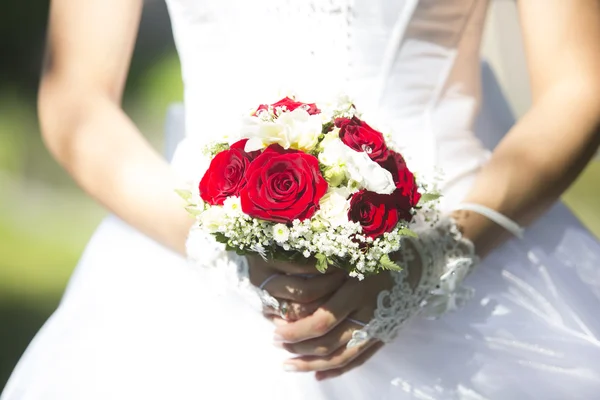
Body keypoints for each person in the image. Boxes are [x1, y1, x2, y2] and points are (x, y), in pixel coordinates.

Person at [3, 0, 600, 398]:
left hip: (474, 251)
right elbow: (76, 98)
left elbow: (579, 84)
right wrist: (221, 246)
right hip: (179, 272)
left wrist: (430, 256)